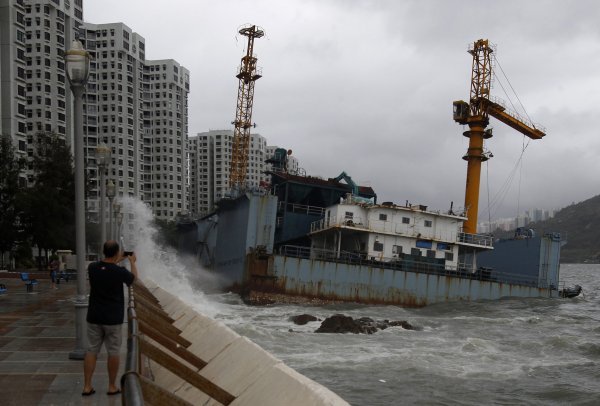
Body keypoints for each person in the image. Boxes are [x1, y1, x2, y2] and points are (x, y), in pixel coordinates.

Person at [82, 240, 138, 397]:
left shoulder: (93, 268)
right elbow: (134, 279)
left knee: (91, 351)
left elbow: (107, 265)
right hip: (112, 318)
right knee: (113, 352)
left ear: (103, 251)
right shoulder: (119, 272)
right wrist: (132, 262)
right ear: (116, 252)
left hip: (94, 316)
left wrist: (117, 258)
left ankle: (87, 386)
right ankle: (112, 386)